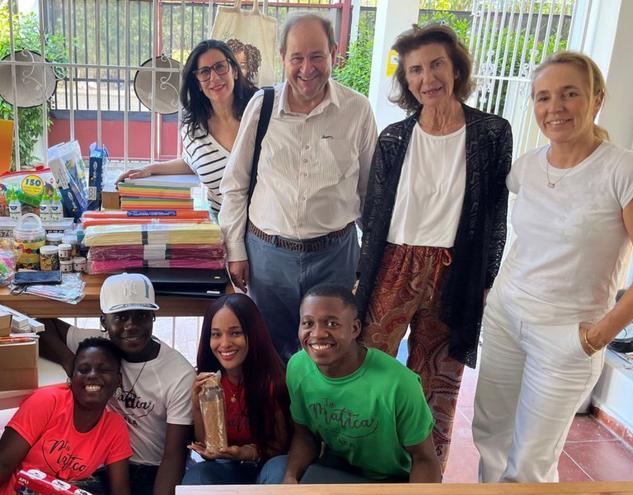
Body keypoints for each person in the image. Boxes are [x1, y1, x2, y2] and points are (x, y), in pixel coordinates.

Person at [472, 51, 633, 483]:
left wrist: (597, 337)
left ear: (597, 99)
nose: (554, 107)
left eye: (569, 94)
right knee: (490, 437)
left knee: (531, 464)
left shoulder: (626, 172)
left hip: (566, 336)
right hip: (505, 317)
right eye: (543, 97)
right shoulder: (527, 168)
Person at [353, 23, 512, 467]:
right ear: (406, 80)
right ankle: (365, 459)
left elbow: (494, 214)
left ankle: (426, 470)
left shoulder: (492, 133)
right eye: (416, 70)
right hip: (395, 263)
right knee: (371, 364)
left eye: (436, 64)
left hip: (455, 269)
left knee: (438, 377)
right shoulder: (394, 138)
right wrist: (364, 274)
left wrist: (485, 279)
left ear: (456, 67)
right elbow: (374, 214)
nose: (428, 78)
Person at [219, 13, 378, 361]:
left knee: (329, 353)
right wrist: (236, 249)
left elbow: (369, 191)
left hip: (335, 257)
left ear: (334, 53)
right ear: (283, 58)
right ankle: (278, 417)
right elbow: (235, 184)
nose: (307, 68)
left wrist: (371, 258)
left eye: (317, 56)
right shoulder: (261, 107)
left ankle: (319, 417)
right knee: (271, 352)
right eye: (297, 58)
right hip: (267, 258)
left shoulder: (357, 111)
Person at [257, 284, 442, 484]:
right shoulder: (297, 367)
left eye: (331, 324)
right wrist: (290, 478)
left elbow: (425, 459)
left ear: (354, 328)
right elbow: (305, 435)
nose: (317, 334)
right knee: (275, 470)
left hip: (389, 481)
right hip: (335, 471)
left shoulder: (399, 384)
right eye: (308, 323)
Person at [39, 273, 196, 495]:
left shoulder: (179, 374)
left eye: (141, 316)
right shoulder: (97, 349)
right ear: (104, 322)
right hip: (98, 464)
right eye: (121, 317)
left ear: (153, 317)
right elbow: (40, 324)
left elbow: (174, 457)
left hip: (151, 471)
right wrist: (70, 362)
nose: (131, 326)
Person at [0, 338, 132, 495]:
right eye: (84, 369)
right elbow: (2, 464)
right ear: (72, 377)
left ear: (117, 380)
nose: (92, 375)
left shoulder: (115, 427)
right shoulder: (48, 402)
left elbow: (121, 490)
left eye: (104, 370)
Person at [116, 39, 258, 216]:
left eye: (220, 67)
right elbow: (194, 162)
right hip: (222, 233)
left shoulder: (260, 116)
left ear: (234, 71)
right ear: (198, 83)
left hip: (265, 234)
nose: (214, 77)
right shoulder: (194, 131)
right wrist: (150, 169)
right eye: (204, 72)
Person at [182, 293, 291, 485]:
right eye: (216, 334)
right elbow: (208, 445)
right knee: (196, 476)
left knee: (281, 469)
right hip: (225, 467)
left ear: (253, 333)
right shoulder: (208, 381)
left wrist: (245, 453)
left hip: (266, 463)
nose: (224, 344)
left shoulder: (274, 381)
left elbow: (281, 446)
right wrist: (197, 405)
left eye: (235, 333)